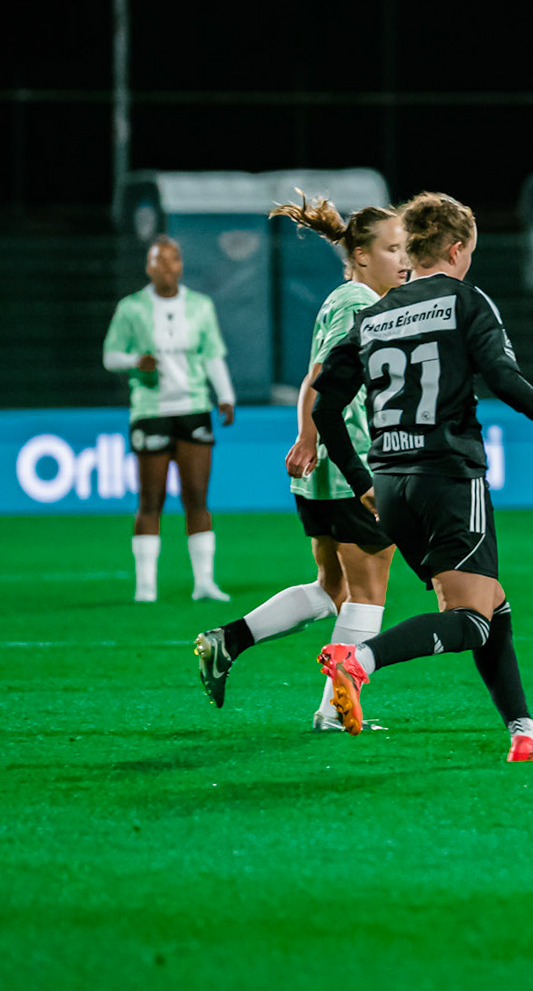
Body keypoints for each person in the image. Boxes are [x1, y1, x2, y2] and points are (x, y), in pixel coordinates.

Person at [309, 192, 533, 762]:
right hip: (450, 478)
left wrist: (361, 477)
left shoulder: (373, 313)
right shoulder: (464, 300)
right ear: (457, 249)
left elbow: (323, 407)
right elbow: (503, 377)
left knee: (493, 606)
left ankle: (524, 732)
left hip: (391, 487)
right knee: (470, 619)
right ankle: (358, 660)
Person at [193, 195, 409, 730]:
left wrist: (307, 438)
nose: (404, 259)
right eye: (392, 248)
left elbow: (316, 375)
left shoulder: (349, 298)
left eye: (407, 248)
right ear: (360, 255)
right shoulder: (359, 301)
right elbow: (323, 380)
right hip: (349, 463)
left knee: (331, 588)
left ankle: (228, 641)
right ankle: (335, 712)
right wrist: (314, 438)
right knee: (369, 591)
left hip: (326, 467)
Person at [102, 234, 236, 603]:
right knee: (151, 499)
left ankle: (204, 583)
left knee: (197, 496)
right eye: (159, 261)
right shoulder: (131, 308)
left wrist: (224, 396)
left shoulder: (200, 306)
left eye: (173, 260)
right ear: (149, 267)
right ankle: (146, 587)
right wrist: (134, 362)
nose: (167, 268)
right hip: (151, 410)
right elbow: (110, 355)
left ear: (181, 265)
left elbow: (212, 355)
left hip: (193, 406)